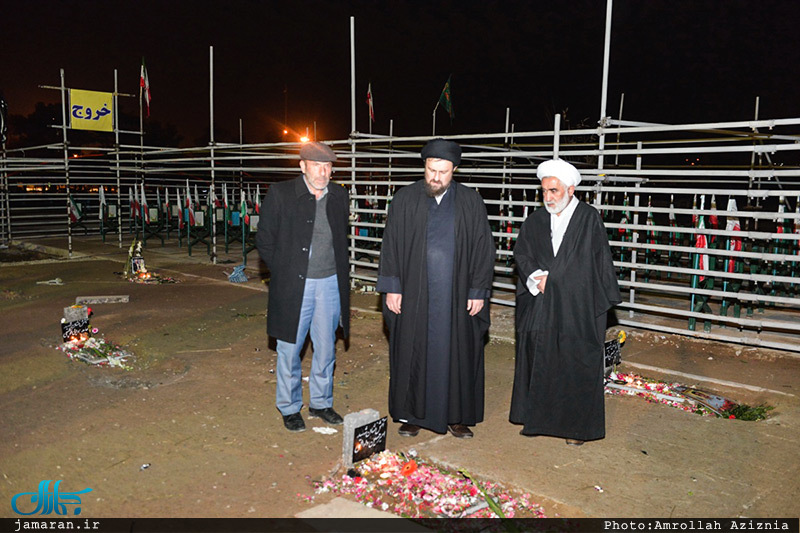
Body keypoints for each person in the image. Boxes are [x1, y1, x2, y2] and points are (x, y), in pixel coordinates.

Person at [377, 138, 495, 439]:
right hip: (415, 295)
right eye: (431, 170)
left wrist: (478, 290)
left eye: (443, 172)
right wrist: (392, 287)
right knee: (413, 352)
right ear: (424, 167)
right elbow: (390, 246)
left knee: (459, 353)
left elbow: (484, 249)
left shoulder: (470, 202)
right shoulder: (404, 199)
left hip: (457, 298)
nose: (436, 178)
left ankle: (457, 417)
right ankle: (414, 415)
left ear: (454, 170)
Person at [510, 159, 621, 445]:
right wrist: (537, 278)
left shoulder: (588, 218)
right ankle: (539, 418)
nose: (548, 198)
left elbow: (593, 266)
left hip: (577, 306)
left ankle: (575, 428)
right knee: (540, 357)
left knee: (574, 362)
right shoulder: (535, 219)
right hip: (542, 304)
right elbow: (522, 253)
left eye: (554, 191)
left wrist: (556, 281)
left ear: (571, 190)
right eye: (544, 191)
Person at [256, 142, 350, 433]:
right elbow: (265, 240)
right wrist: (285, 272)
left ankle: (321, 403)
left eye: (328, 167)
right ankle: (289, 407)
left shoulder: (339, 195)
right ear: (302, 166)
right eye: (316, 166)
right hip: (294, 285)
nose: (323, 173)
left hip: (330, 283)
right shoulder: (282, 194)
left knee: (325, 349)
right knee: (290, 348)